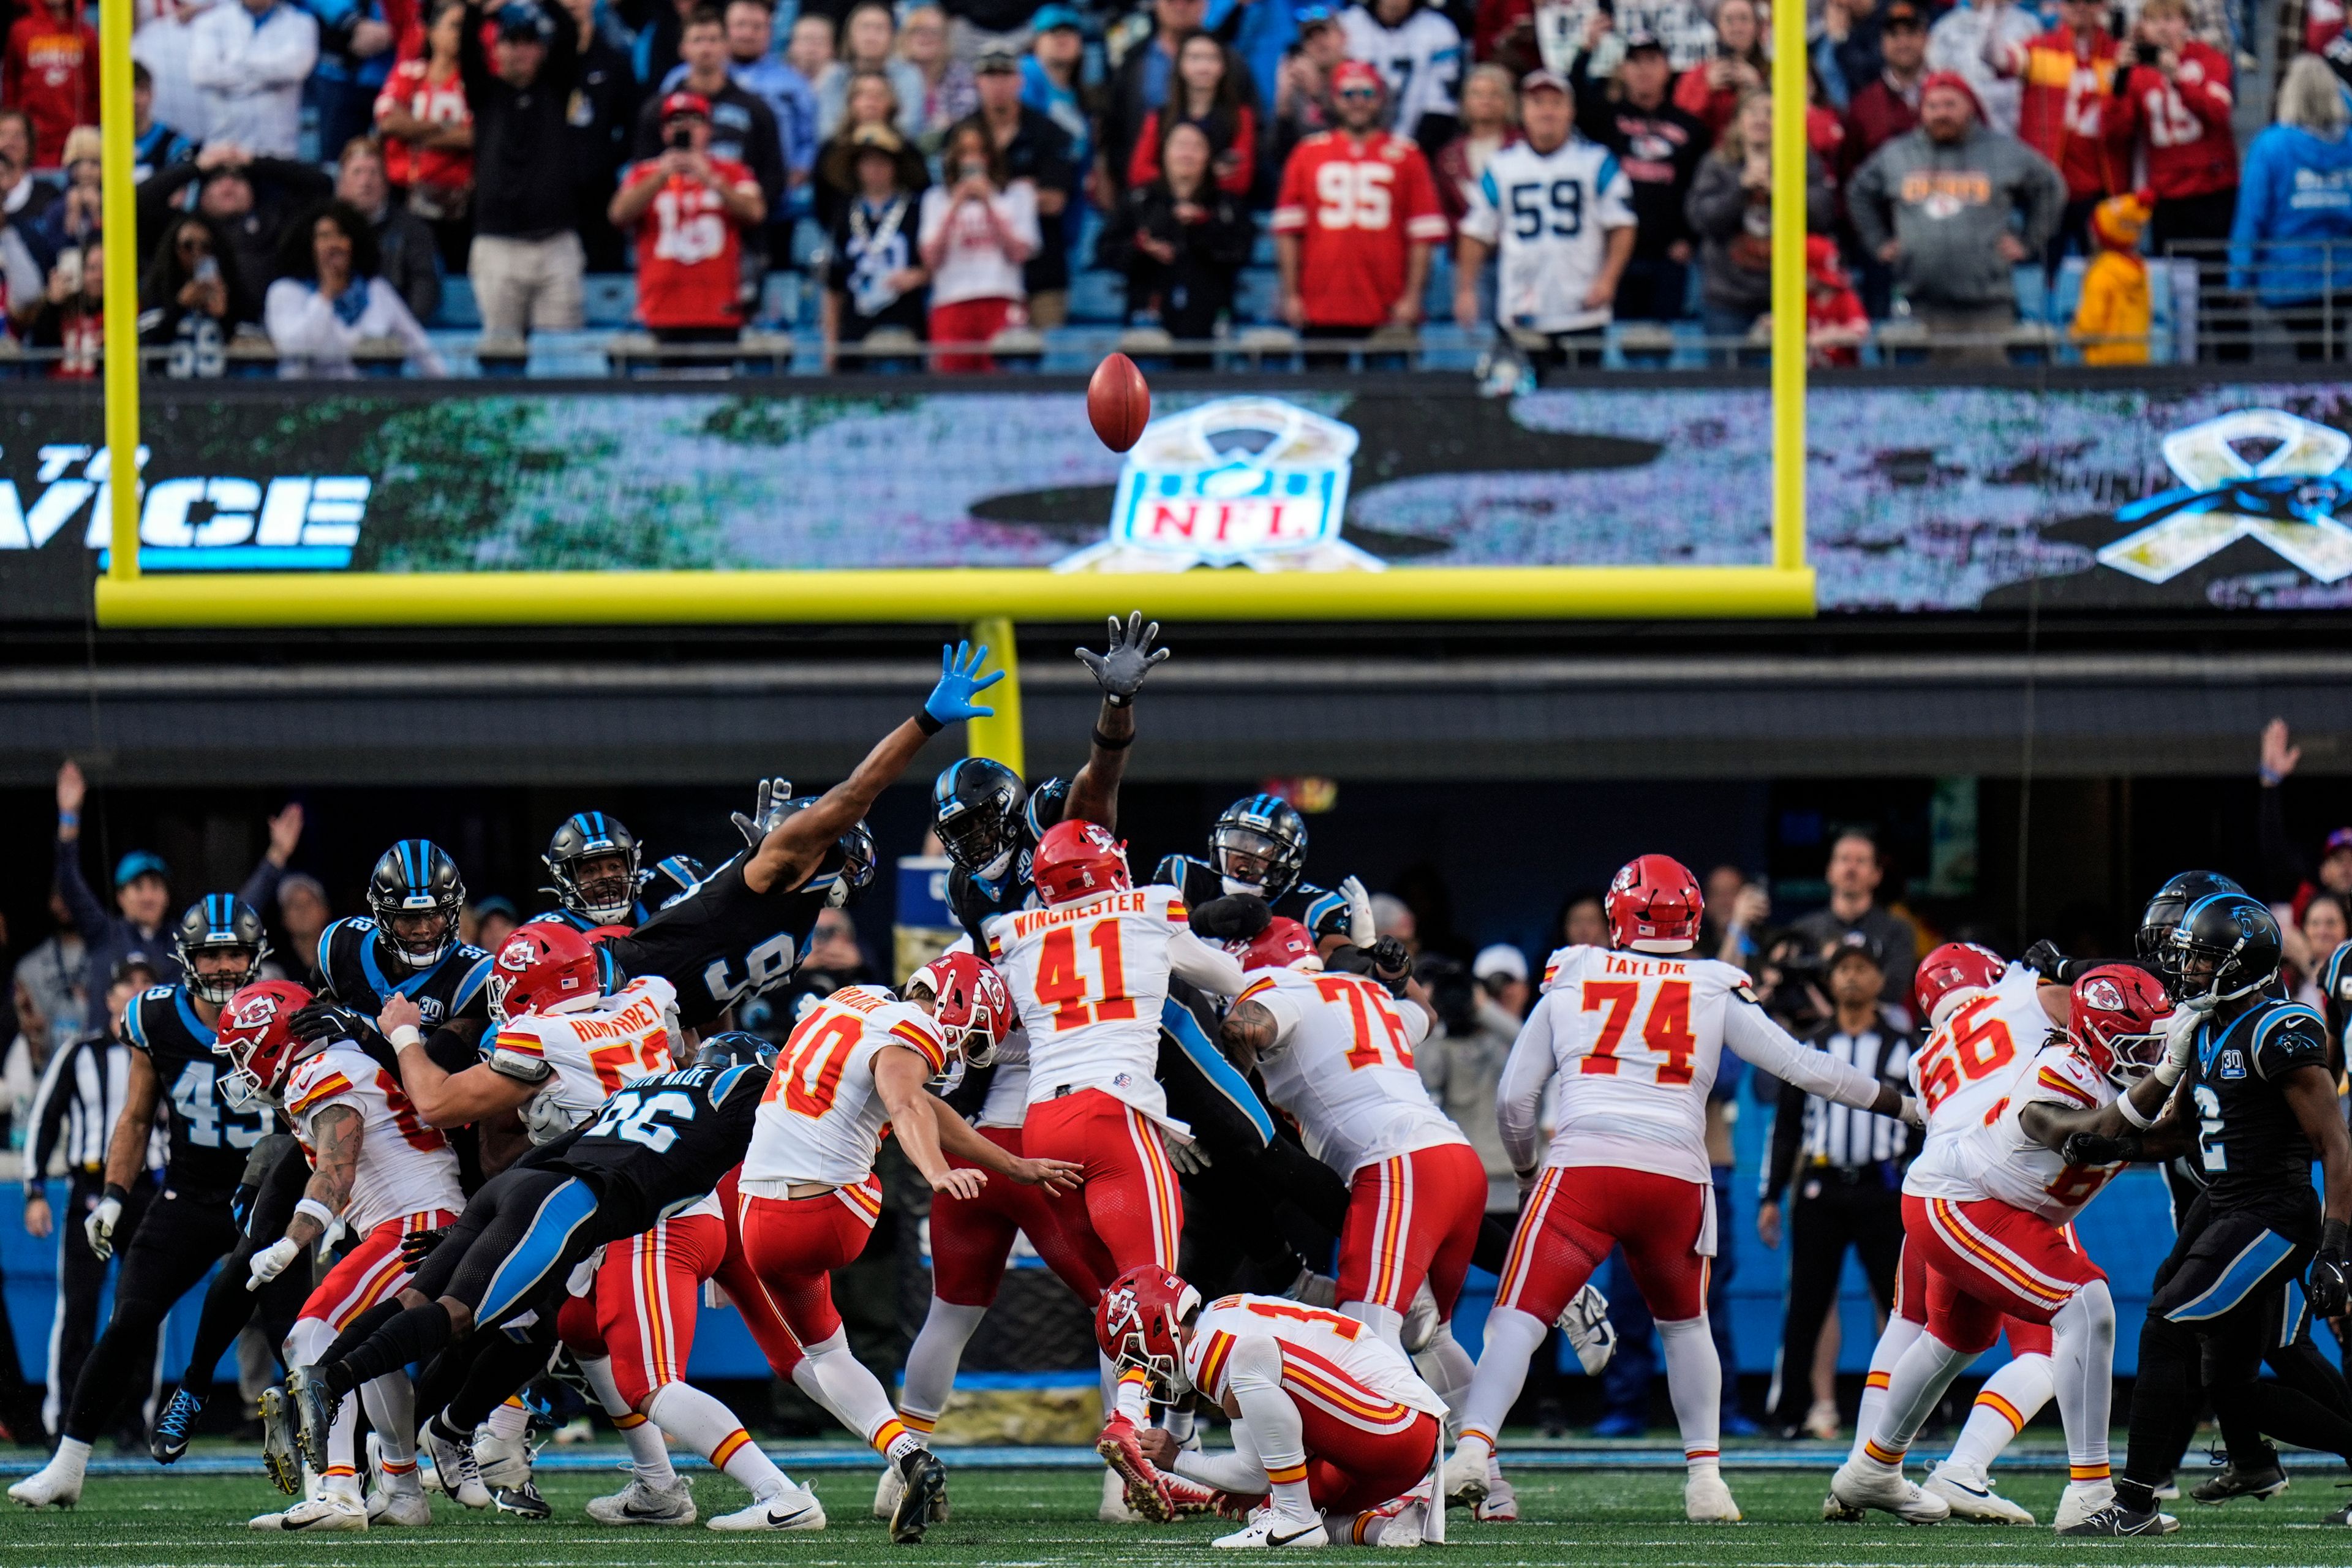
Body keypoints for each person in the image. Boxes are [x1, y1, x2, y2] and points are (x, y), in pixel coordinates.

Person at [1445, 855, 1917, 1523]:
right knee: (1687, 1326)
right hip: (1675, 1176)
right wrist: (1901, 1104)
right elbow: (1805, 1067)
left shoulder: (1574, 973)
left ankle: (1473, 1448)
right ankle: (1705, 1479)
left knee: (1516, 1317)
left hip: (1583, 1167)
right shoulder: (1714, 985)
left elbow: (1515, 1100)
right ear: (1693, 915)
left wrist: (1527, 1172)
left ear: (1618, 914)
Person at [737, 954, 1067, 1539]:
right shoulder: (911, 1028)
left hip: (757, 1221)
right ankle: (912, 1457)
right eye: (971, 1041)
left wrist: (1011, 1164)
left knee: (824, 1356)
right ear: (957, 1005)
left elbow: (925, 1102)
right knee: (877, 1140)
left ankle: (906, 1457)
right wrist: (937, 1171)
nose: (961, 1057)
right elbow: (907, 1102)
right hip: (830, 1213)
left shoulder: (852, 1000)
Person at [1833, 964, 2166, 1532]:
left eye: (2157, 1044)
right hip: (1962, 1199)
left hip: (1987, 1195)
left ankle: (1871, 1468)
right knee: (2085, 1304)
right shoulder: (2061, 1067)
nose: (2151, 1055)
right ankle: (2089, 1494)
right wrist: (2166, 1079)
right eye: (2138, 1045)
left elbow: (2165, 1130)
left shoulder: (1936, 1050)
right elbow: (2071, 1127)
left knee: (1956, 1339)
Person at [982, 818, 1247, 1515]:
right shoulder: (1150, 907)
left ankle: (1126, 1482)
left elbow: (1000, 1042)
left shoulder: (1015, 933)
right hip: (1116, 1113)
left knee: (1115, 1301)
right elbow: (1230, 978)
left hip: (1041, 1126)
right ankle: (1135, 1432)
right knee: (1157, 1294)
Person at [2095, 895, 2352, 1533]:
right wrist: (2118, 1144)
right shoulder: (2207, 1027)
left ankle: (2134, 1504)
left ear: (2244, 963)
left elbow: (2335, 1142)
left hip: (2272, 1210)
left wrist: (2336, 1247)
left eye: (2205, 960)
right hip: (2227, 1206)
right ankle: (2173, 1488)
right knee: (2230, 1385)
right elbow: (2183, 1131)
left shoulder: (2279, 1025)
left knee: (2166, 1322)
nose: (2191, 972)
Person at [9, 900, 275, 1509]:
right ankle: (68, 1464)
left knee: (300, 1329)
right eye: (212, 952)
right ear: (188, 958)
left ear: (255, 955)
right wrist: (113, 1196)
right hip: (185, 1192)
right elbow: (133, 1117)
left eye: (236, 951)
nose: (226, 964)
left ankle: (335, 1477)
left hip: (265, 1195)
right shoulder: (156, 1018)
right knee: (128, 1319)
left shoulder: (282, 1010)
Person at [605, 644, 1001, 1033]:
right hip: (608, 986)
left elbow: (712, 990)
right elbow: (857, 791)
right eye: (847, 854)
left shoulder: (799, 930)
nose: (853, 865)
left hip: (646, 1019)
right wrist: (926, 721)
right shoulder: (792, 860)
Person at [214, 978, 461, 1530]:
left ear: (274, 1042)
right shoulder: (339, 1065)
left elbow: (334, 1172)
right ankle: (401, 1489)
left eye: (241, 1052)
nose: (237, 1067)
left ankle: (338, 1488)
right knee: (372, 1355)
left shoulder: (321, 1074)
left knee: (312, 1334)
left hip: (412, 1223)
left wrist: (290, 1242)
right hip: (426, 1218)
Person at [1103, 1267, 1450, 1548]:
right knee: (1264, 1510)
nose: (1149, 1370)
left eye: (1137, 1354)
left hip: (1397, 1423)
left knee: (1251, 1358)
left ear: (1160, 1327)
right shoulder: (1222, 1320)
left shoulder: (1210, 1345)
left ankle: (1296, 1522)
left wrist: (1177, 1460)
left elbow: (1253, 1473)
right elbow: (1257, 1477)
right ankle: (1383, 1532)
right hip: (1390, 1442)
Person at [1757, 936, 1912, 1439]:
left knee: (1901, 1304)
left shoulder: (1903, 1046)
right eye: (1841, 967)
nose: (1850, 976)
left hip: (1883, 1188)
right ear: (1830, 977)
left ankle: (1910, 1412)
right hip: (1821, 1189)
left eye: (1861, 967)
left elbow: (1925, 1122)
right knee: (1806, 1301)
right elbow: (1786, 1126)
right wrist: (1769, 1196)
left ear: (1878, 978)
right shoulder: (1810, 1047)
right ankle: (1793, 1412)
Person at [21, 957, 163, 1442]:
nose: (137, 991)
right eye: (128, 984)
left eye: (147, 984)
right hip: (90, 1186)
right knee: (78, 1307)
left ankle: (133, 1421)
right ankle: (63, 1418)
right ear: (109, 996)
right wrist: (34, 1190)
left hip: (148, 1187)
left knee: (142, 1307)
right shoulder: (79, 1053)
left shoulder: (168, 1051)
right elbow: (44, 1119)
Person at [52, 760, 301, 1011]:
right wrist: (69, 817)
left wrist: (277, 856)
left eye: (156, 886)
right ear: (121, 897)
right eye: (138, 887)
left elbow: (236, 916)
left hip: (166, 1050)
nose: (148, 895)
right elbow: (70, 884)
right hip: (108, 1047)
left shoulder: (181, 941)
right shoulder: (104, 934)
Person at [1455, 67, 1636, 373]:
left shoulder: (1596, 162)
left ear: (1571, 111)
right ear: (1523, 111)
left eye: (1555, 103)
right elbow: (1476, 231)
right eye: (1538, 103)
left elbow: (1622, 226)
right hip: (1521, 308)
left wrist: (1607, 280)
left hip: (1582, 308)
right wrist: (1466, 289)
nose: (1547, 112)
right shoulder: (1502, 166)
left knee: (1581, 404)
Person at [1273, 61, 1446, 360]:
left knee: (1388, 401)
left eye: (1367, 92)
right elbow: (1289, 233)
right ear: (1335, 99)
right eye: (1348, 93)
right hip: (1322, 302)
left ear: (1380, 98)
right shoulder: (1307, 153)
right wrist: (1291, 295)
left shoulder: (1408, 156)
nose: (1358, 102)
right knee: (1323, 397)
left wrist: (1413, 297)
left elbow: (1422, 235)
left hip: (1387, 303)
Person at [460, 0, 586, 342]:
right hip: (498, 244)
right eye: (511, 42)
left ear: (542, 50)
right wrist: (480, 11)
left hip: (556, 242)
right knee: (501, 356)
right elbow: (467, 51)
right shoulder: (485, 94)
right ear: (497, 49)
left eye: (530, 43)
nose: (520, 52)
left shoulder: (555, 90)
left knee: (561, 361)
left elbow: (569, 33)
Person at [611, 91, 768, 345]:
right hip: (661, 309)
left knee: (716, 383)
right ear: (664, 132)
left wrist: (712, 180)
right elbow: (618, 214)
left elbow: (755, 212)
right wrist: (661, 177)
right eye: (676, 120)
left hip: (718, 309)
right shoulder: (644, 173)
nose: (685, 127)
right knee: (664, 384)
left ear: (709, 130)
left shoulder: (733, 171)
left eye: (695, 120)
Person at [1686, 90, 1833, 355]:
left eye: (1771, 113)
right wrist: (1740, 191)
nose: (1761, 120)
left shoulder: (1803, 162)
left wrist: (1781, 192)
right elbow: (1701, 219)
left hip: (1788, 298)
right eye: (1752, 112)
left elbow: (1822, 216)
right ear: (1738, 122)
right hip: (1727, 300)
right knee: (1728, 390)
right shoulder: (1717, 164)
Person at [1573, 31, 1704, 325]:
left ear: (1667, 68)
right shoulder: (1605, 119)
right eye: (1635, 62)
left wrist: (1688, 239)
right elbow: (1574, 98)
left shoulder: (1691, 127)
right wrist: (1586, 50)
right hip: (1614, 256)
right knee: (1618, 342)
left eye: (1652, 61)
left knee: (1667, 344)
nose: (1644, 69)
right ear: (1622, 70)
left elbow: (1699, 188)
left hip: (1669, 255)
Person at [2230, 56, 2352, 362]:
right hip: (2343, 277)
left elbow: (2251, 218)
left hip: (2287, 279)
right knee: (2327, 348)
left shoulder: (2270, 146)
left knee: (2314, 352)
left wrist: (2238, 279)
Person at [1096, 119, 1253, 352]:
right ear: (1164, 152)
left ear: (1209, 155)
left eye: (1196, 146)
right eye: (1180, 145)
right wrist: (1141, 248)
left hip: (1210, 327)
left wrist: (1203, 226)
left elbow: (1240, 252)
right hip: (1147, 323)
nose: (1187, 154)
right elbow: (1106, 250)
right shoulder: (1138, 200)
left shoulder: (1226, 205)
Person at [135, 143, 334, 321]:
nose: (228, 184)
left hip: (262, 334)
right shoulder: (181, 227)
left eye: (238, 178)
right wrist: (196, 167)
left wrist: (255, 162)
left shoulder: (275, 222)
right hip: (185, 330)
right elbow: (137, 202)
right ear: (202, 194)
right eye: (217, 178)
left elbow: (321, 186)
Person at [1999, 0, 2125, 273]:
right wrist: (1988, 15)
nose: (2081, 6)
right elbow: (1997, 61)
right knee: (2040, 276)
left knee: (2103, 278)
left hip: (2101, 189)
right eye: (2071, 1)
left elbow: (2130, 120)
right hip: (2047, 189)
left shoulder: (2120, 55)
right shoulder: (2039, 47)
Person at [265, 200, 447, 376]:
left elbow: (419, 345)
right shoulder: (285, 292)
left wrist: (447, 392)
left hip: (366, 399)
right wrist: (326, 294)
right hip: (302, 401)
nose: (334, 244)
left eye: (341, 236)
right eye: (324, 236)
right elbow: (294, 349)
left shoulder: (377, 291)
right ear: (308, 244)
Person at [2111, 0, 2237, 252]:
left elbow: (2219, 112)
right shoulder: (2137, 72)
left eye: (2169, 19)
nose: (2161, 28)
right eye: (2154, 20)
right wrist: (2119, 78)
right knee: (2172, 282)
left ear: (2186, 22)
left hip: (2211, 190)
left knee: (2211, 277)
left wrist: (2178, 80)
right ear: (2142, 26)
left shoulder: (2209, 60)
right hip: (2166, 196)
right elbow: (2116, 131)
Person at [965, 46, 1076, 323]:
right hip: (979, 274)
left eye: (1005, 76)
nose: (997, 85)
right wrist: (1023, 193)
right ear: (977, 82)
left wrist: (988, 193)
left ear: (1019, 81)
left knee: (1049, 355)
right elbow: (952, 197)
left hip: (1041, 269)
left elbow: (1053, 202)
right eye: (990, 77)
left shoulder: (1050, 132)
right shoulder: (961, 135)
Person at [916, 120, 1037, 371]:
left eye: (979, 152)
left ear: (990, 155)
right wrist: (955, 206)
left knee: (1004, 384)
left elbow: (1020, 252)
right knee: (952, 388)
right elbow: (930, 258)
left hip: (1001, 297)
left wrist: (989, 203)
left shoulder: (1017, 195)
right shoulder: (936, 199)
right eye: (964, 153)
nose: (972, 160)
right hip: (952, 301)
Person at [372, 0, 474, 270]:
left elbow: (473, 137)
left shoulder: (475, 83)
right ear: (431, 31)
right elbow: (387, 121)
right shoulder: (409, 71)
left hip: (456, 204)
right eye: (453, 26)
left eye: (465, 27)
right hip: (404, 196)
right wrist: (446, 128)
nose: (460, 33)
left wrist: (413, 131)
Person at [819, 126, 929, 368]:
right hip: (855, 328)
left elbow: (938, 265)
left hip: (904, 325)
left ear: (895, 167)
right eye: (868, 162)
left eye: (882, 162)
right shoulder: (844, 214)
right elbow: (834, 283)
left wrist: (918, 276)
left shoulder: (916, 211)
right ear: (857, 168)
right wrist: (831, 342)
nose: (875, 170)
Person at [1791, 831, 1922, 1013]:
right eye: (1844, 859)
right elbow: (1793, 991)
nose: (1851, 869)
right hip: (1813, 1024)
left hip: (1878, 1024)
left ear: (1877, 875)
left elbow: (1894, 990)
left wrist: (1828, 966)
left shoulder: (1898, 930)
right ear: (1830, 871)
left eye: (1861, 861)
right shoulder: (1804, 929)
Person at [1102, 0, 1212, 194]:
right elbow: (1113, 126)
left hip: (1209, 198)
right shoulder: (1133, 59)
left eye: (1190, 1)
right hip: (1139, 193)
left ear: (1206, 5)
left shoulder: (1230, 61)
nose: (1181, 6)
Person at [1128, 32, 1255, 198]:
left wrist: (1181, 175)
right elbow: (1138, 173)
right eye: (1195, 58)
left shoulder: (1240, 117)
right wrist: (1209, 174)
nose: (1203, 67)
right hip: (1164, 208)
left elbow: (1239, 181)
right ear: (1180, 65)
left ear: (1224, 67)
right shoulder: (1159, 117)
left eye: (1211, 58)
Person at [187, 0, 320, 157]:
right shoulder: (210, 21)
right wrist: (270, 76)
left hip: (278, 151)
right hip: (223, 149)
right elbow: (202, 74)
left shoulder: (302, 23)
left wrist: (234, 64)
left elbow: (295, 69)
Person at [335, 136, 442, 325]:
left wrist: (400, 331)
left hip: (396, 337)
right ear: (342, 185)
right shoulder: (326, 232)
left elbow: (424, 287)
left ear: (386, 183)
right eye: (357, 173)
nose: (365, 182)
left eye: (373, 173)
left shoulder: (414, 230)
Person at [2255, 719, 2352, 918]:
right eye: (2339, 860)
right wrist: (2270, 784)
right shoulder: (2308, 906)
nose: (2347, 868)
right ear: (2324, 870)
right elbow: (2274, 850)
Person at [1341, 0, 1460, 156]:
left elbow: (1440, 106)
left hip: (1414, 143)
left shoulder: (1439, 30)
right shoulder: (1348, 25)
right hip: (1351, 144)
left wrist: (1412, 153)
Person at [138, 211, 244, 378]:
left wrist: (224, 317)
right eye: (188, 246)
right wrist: (179, 307)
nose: (197, 253)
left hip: (221, 393)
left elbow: (252, 358)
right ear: (175, 250)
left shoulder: (236, 295)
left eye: (205, 246)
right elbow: (146, 351)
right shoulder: (156, 295)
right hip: (169, 392)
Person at [4, 0, 100, 167]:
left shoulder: (87, 34)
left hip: (75, 140)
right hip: (32, 140)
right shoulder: (20, 31)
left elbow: (96, 89)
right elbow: (10, 86)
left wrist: (87, 127)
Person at [1924, 0, 2040, 135]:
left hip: (2017, 128)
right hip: (1965, 131)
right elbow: (1939, 82)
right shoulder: (1945, 29)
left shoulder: (2029, 25)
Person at [815, 1, 925, 140]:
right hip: (843, 153)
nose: (871, 36)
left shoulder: (909, 75)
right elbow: (826, 132)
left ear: (892, 36)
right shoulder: (834, 76)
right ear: (850, 34)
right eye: (865, 28)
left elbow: (909, 128)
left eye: (879, 29)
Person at [2071, 187, 2153, 363]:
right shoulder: (2139, 269)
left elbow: (2091, 323)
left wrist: (2075, 335)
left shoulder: (2102, 272)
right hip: (2138, 359)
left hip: (2104, 365)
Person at [1433, 62, 1515, 235]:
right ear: (1465, 101)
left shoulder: (1522, 146)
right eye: (1477, 94)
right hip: (1465, 250)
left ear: (1508, 102)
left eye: (1494, 94)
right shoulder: (1448, 156)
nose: (1486, 100)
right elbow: (1445, 212)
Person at [1670, 0, 1765, 139]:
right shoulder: (1697, 75)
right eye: (1729, 20)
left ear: (1758, 28)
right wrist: (1706, 90)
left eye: (1744, 19)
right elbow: (1677, 128)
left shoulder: (1774, 73)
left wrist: (1758, 88)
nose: (1737, 28)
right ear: (1718, 29)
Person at [900, 4, 978, 146]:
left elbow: (967, 116)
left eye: (934, 31)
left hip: (950, 147)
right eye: (918, 30)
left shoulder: (960, 73)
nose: (926, 37)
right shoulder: (894, 73)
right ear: (906, 37)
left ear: (945, 39)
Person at [1800, 234, 1869, 363]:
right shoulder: (1802, 299)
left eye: (1804, 272)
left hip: (1843, 376)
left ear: (1813, 274)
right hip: (1808, 374)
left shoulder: (1845, 298)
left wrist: (1827, 336)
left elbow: (1859, 333)